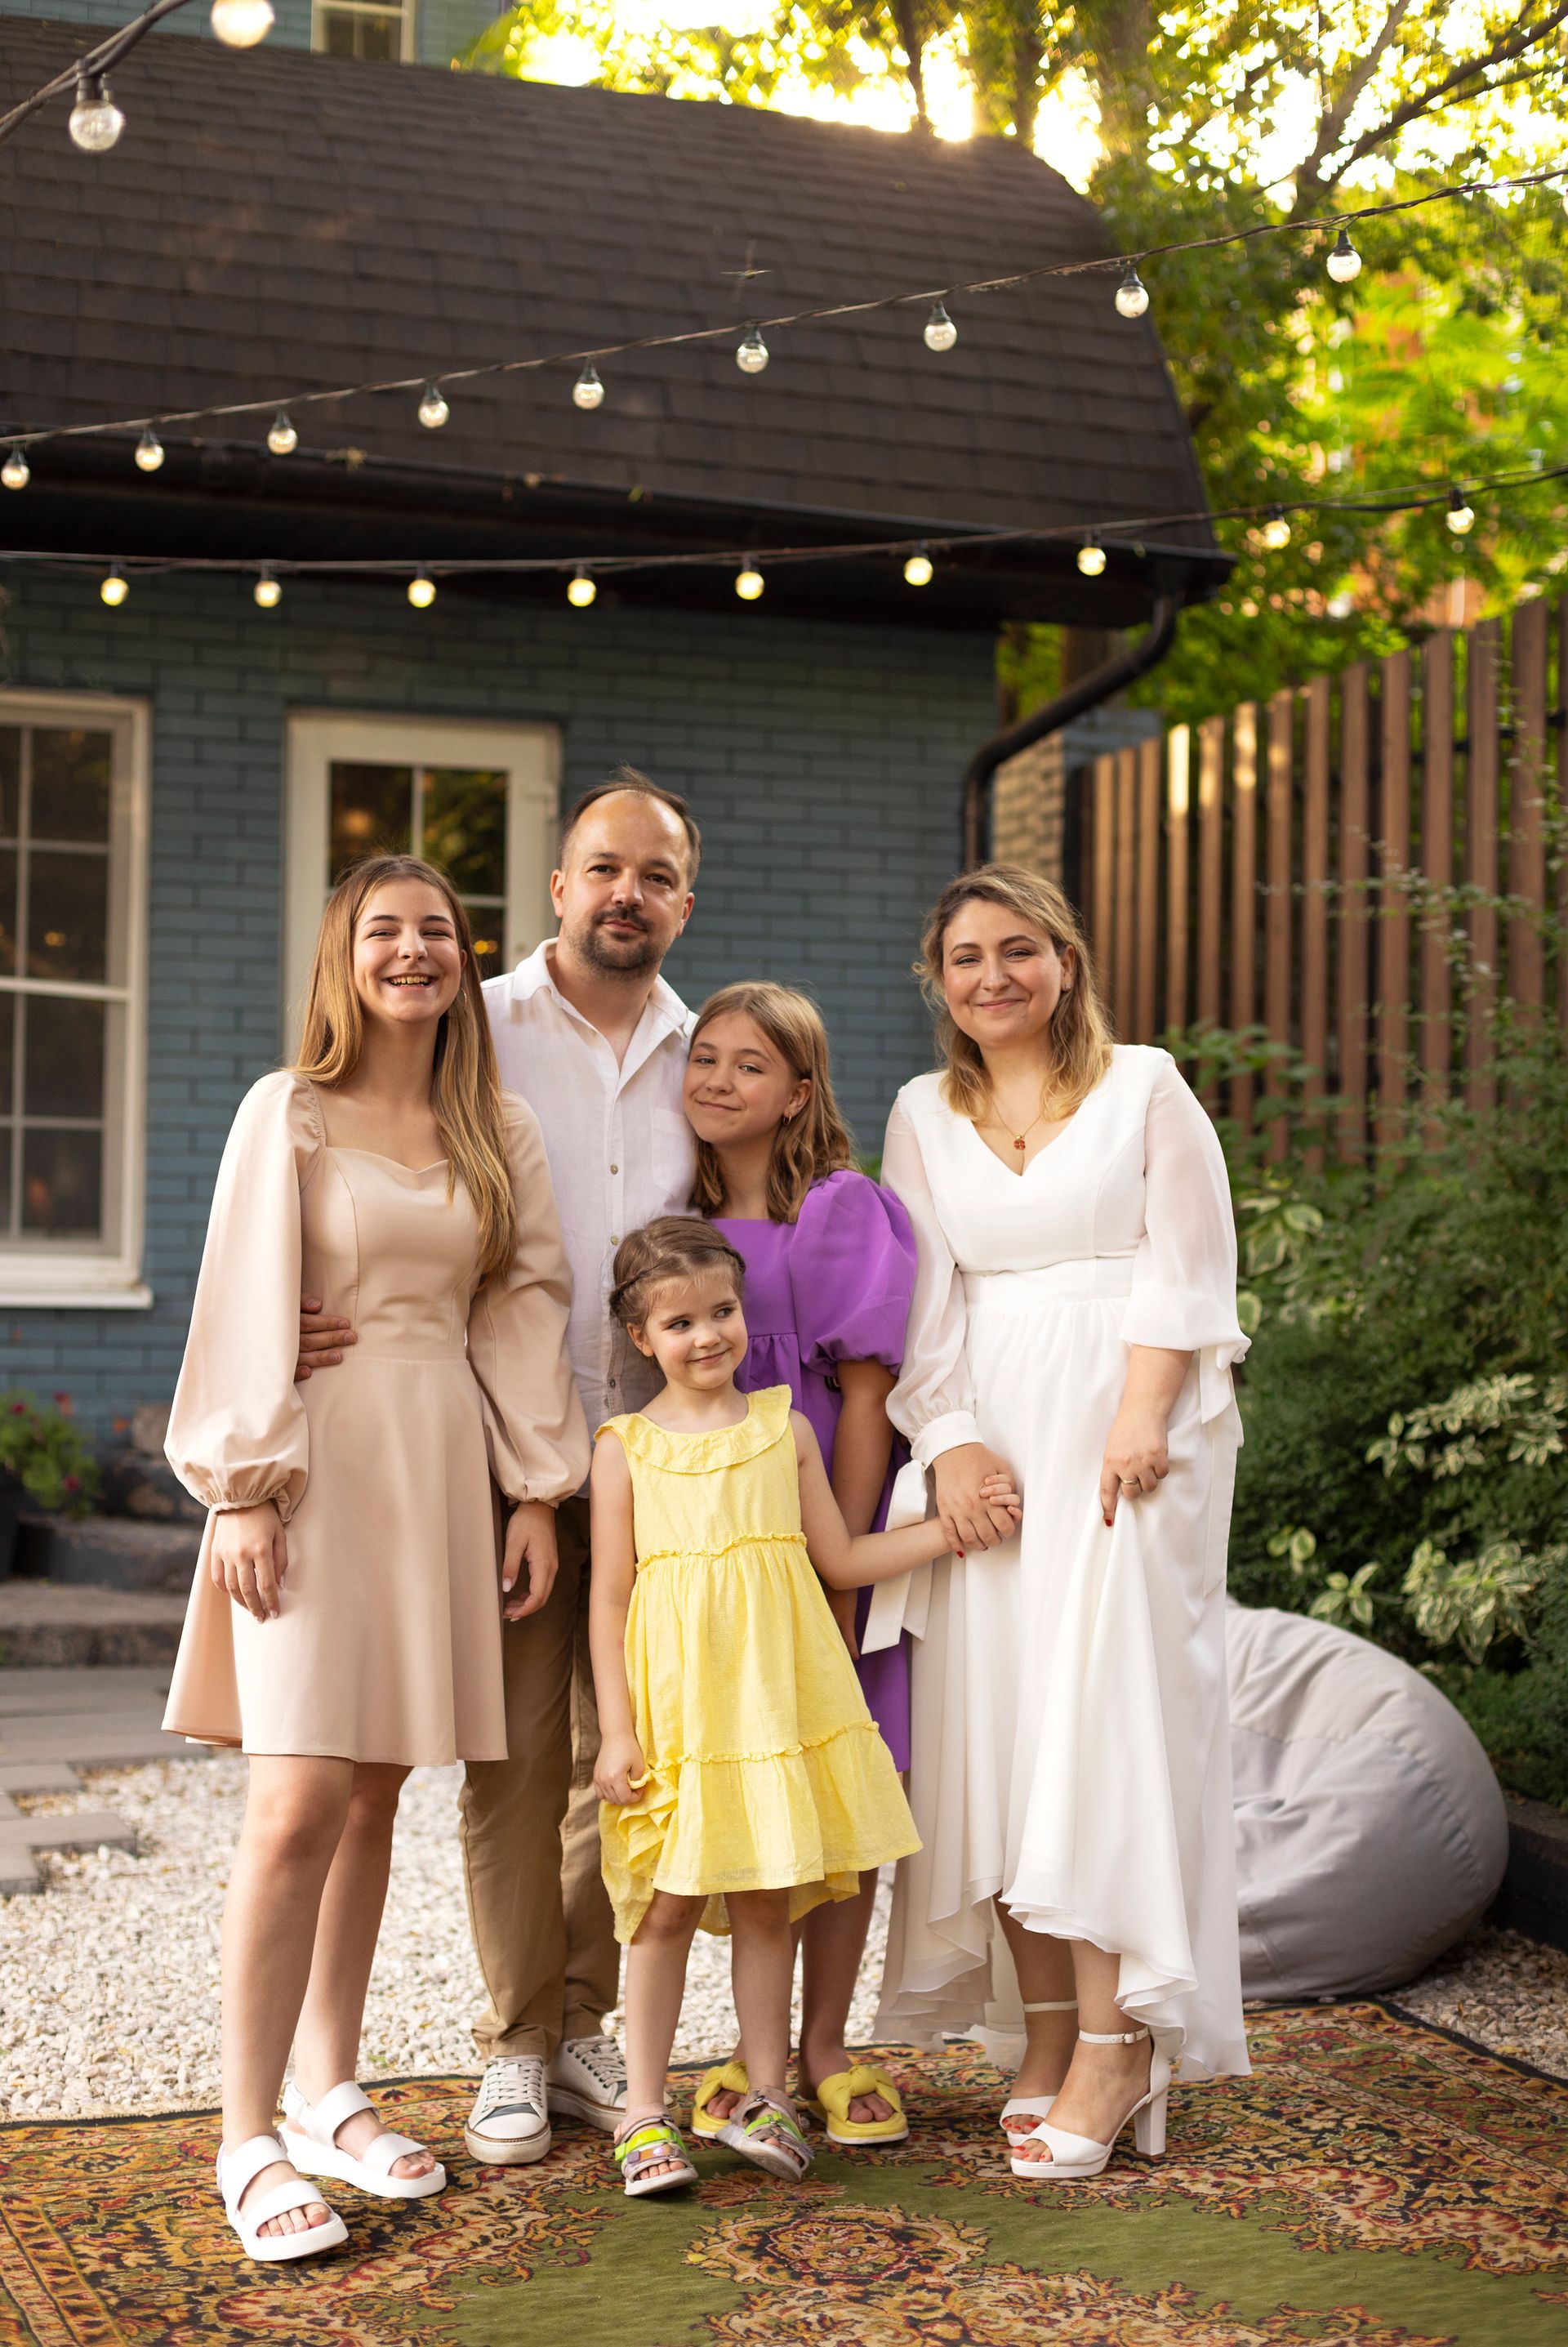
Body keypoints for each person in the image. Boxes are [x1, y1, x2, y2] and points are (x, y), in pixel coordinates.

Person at [163, 854, 587, 2263]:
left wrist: (536, 1488)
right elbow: (239, 1289)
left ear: (465, 958)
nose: (415, 952)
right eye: (383, 931)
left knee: (374, 1800)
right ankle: (245, 2136)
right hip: (312, 1464)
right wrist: (244, 1488)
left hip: (441, 1465)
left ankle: (330, 2082)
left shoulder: (497, 1125)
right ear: (344, 958)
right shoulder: (286, 1111)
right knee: (293, 1800)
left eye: (436, 933)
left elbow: (524, 1305)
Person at [296, 770, 699, 2162]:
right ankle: (516, 2038)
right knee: (514, 1756)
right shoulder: (479, 1021)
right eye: (602, 867)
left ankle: (590, 2017)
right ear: (557, 886)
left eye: (653, 874)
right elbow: (370, 1171)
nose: (624, 893)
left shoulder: (706, 1055)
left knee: (625, 1756)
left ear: (682, 900)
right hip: (487, 1446)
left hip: (657, 1451)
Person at [876, 862, 1250, 2184]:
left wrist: (1143, 1412)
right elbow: (925, 1298)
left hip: (1126, 1432)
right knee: (1008, 1732)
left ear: (1066, 960)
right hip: (996, 1443)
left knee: (1107, 1723)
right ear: (943, 981)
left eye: (1018, 949)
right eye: (967, 956)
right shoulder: (924, 1109)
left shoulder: (1145, 1084)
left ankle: (1119, 2034)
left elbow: (1192, 1264)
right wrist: (954, 1437)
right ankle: (1040, 2026)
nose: (994, 975)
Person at [588, 1217, 1018, 2198]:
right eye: (681, 1321)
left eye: (724, 1311)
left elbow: (841, 1560)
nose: (709, 1335)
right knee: (661, 1907)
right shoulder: (627, 1449)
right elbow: (609, 1596)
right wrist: (618, 1728)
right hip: (681, 1717)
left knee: (767, 1900)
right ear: (640, 1335)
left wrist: (948, 1532)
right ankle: (642, 2113)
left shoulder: (786, 1430)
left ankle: (769, 2092)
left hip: (772, 1711)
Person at [679, 982, 919, 2148]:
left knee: (840, 1792)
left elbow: (866, 1401)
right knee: (743, 1779)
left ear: (800, 1091)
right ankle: (754, 2042)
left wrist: (846, 1573)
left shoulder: (837, 1208)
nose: (720, 1081)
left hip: (823, 1545)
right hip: (715, 1556)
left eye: (751, 1065)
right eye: (705, 1060)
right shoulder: (676, 1226)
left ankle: (826, 2042)